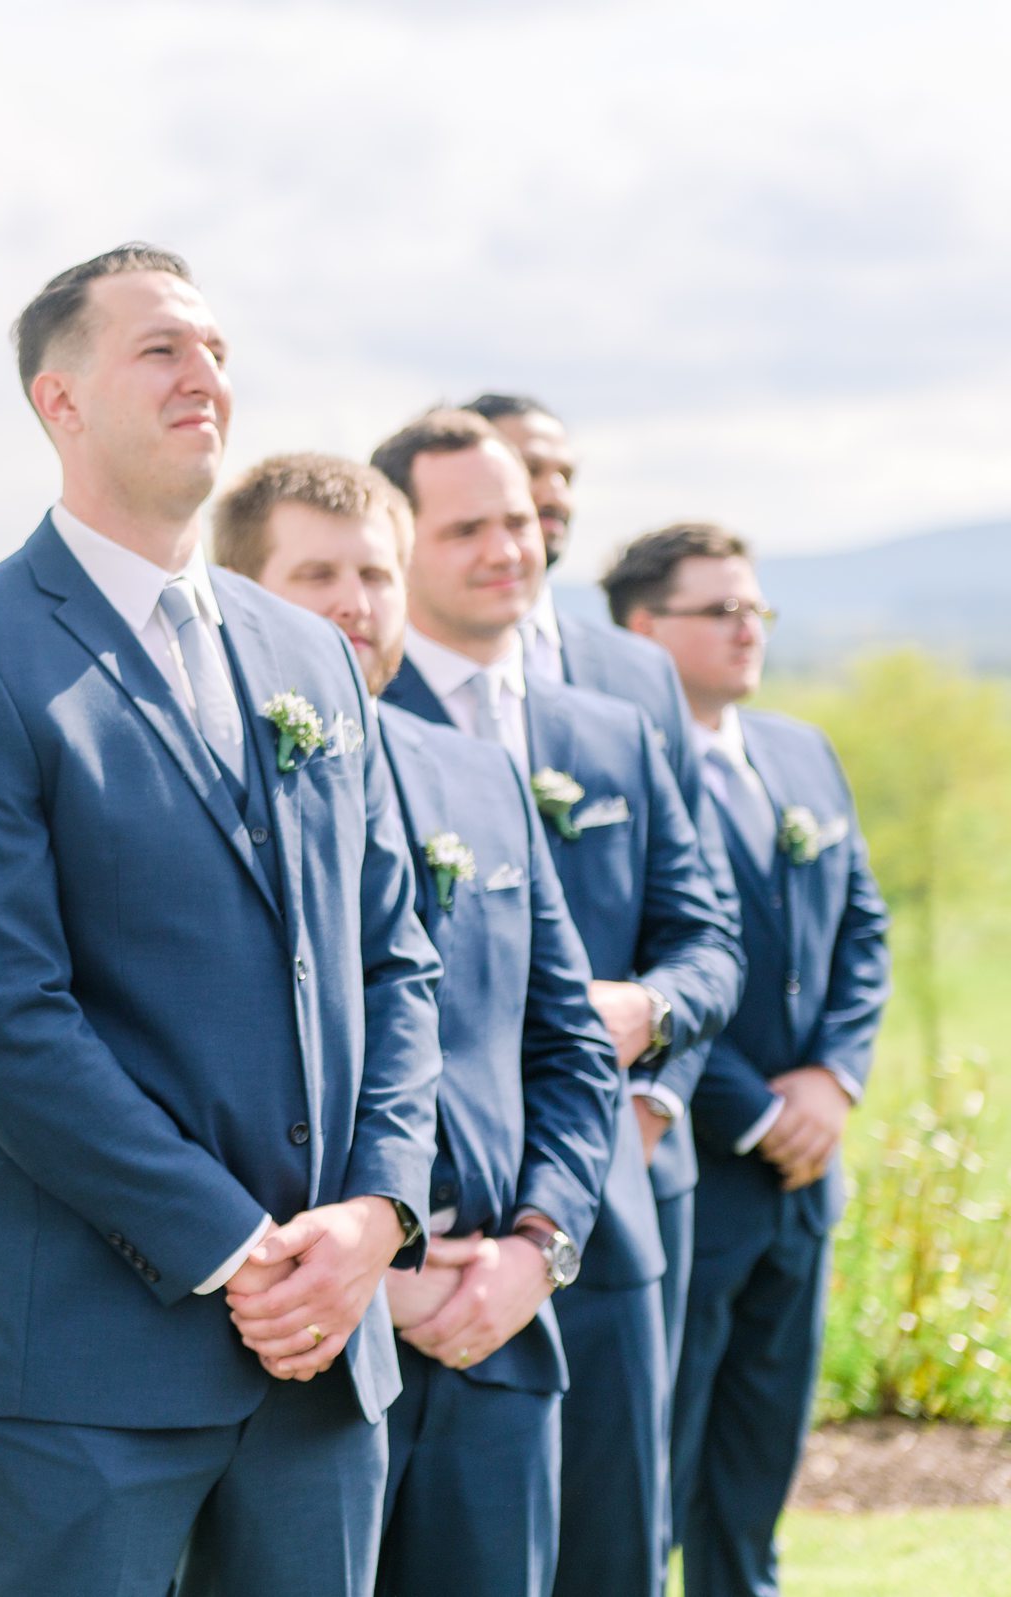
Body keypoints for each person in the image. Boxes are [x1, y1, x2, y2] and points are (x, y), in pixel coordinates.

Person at [0, 245, 442, 1597]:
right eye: (160, 350)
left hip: (322, 1361)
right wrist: (239, 1252)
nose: (206, 375)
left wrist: (373, 1216)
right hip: (89, 1364)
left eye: (219, 350)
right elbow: (3, 1018)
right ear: (56, 399)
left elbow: (395, 953)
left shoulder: (307, 654)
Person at [216, 453, 622, 1597]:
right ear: (240, 597)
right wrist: (365, 1273)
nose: (355, 603)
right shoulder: (203, 793)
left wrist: (536, 1254)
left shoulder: (482, 780)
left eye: (377, 575)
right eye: (317, 575)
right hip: (293, 1344)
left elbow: (570, 1047)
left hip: (491, 1335)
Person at [375, 410, 739, 1597]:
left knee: (612, 1557)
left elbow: (707, 938)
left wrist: (647, 1035)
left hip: (616, 1219)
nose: (509, 548)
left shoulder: (617, 730)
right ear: (405, 541)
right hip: (442, 1244)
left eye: (522, 521)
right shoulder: (355, 740)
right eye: (468, 526)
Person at [467, 391, 745, 1513]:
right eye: (526, 471)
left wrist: (660, 1090)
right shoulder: (394, 666)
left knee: (627, 1495)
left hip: (638, 1146)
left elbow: (696, 917)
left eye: (564, 476)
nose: (549, 498)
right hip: (476, 1174)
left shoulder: (632, 678)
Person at [608, 524, 890, 1597]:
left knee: (758, 1472)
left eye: (755, 608)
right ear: (644, 627)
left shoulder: (801, 750)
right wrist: (758, 1115)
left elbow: (863, 927)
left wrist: (832, 1079)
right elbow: (639, 966)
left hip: (805, 1181)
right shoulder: (621, 763)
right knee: (656, 1476)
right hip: (693, 1168)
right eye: (718, 607)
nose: (746, 626)